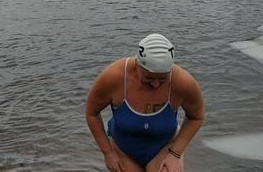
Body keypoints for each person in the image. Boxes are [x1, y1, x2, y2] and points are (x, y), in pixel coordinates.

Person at [85, 33, 204, 172]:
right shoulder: (114, 77)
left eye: (162, 79)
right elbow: (91, 113)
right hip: (123, 149)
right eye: (149, 78)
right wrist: (108, 153)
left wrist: (175, 154)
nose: (155, 84)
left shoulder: (183, 82)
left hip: (164, 146)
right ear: (137, 65)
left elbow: (196, 117)